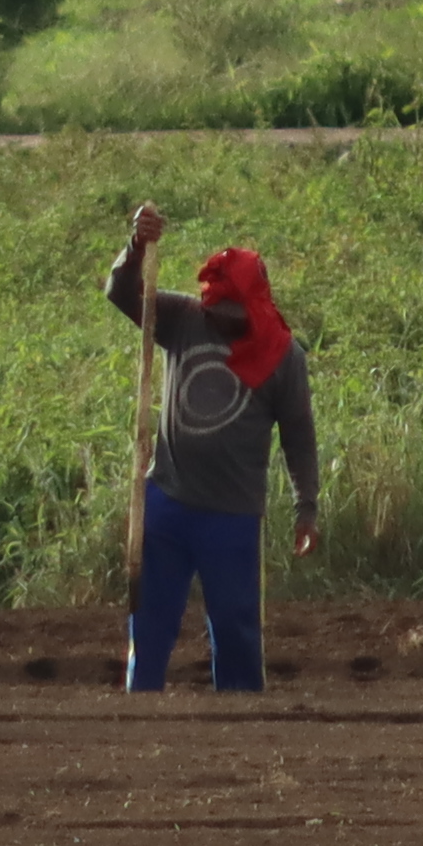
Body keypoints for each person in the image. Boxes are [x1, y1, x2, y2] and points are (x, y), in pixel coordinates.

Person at [106, 209, 318, 692]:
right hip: (166, 501)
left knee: (237, 630)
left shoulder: (283, 356)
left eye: (233, 314)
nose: (222, 322)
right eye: (216, 311)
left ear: (256, 306)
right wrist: (136, 246)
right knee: (150, 622)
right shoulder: (183, 319)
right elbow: (120, 294)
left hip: (232, 516)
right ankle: (140, 717)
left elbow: (299, 437)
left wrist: (307, 507)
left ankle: (240, 731)